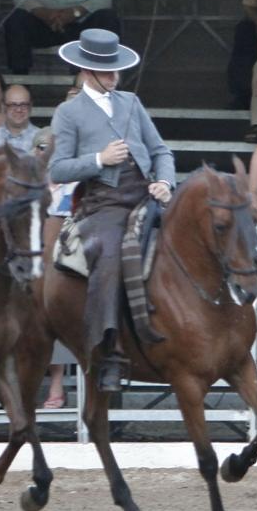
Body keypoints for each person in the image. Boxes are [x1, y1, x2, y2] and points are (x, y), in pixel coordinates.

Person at [49, 29, 174, 391]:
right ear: (87, 72)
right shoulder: (68, 112)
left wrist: (164, 183)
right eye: (106, 72)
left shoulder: (131, 102)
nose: (114, 78)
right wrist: (99, 159)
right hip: (104, 202)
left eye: (115, 71)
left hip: (147, 194)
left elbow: (161, 150)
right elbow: (58, 169)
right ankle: (109, 352)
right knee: (108, 253)